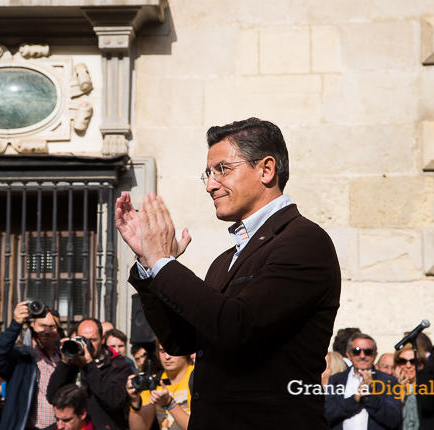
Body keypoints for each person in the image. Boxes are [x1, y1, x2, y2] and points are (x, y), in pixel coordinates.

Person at [115, 117, 341, 428]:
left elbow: (236, 324)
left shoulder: (304, 241)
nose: (210, 185)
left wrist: (163, 264)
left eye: (222, 169)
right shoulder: (225, 259)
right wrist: (148, 263)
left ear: (266, 170)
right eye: (208, 174)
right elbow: (181, 342)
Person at [0, 302, 64, 430]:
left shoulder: (63, 358)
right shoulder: (20, 357)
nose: (47, 331)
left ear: (59, 331)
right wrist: (16, 324)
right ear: (32, 326)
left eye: (53, 327)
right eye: (42, 326)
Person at [47, 317, 132, 430]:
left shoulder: (116, 363)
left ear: (102, 339)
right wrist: (65, 362)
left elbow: (114, 401)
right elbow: (52, 397)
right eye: (82, 339)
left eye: (92, 340)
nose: (87, 345)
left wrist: (88, 366)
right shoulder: (73, 361)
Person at [325, 333, 402, 430]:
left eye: (367, 351)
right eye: (356, 351)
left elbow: (393, 420)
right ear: (349, 354)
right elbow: (327, 414)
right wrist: (354, 400)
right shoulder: (337, 380)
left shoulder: (389, 381)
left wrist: (369, 395)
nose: (362, 355)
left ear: (375, 355)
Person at [127, 342, 194, 430]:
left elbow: (200, 426)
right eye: (162, 351)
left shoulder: (197, 378)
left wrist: (169, 403)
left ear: (185, 352)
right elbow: (139, 428)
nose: (167, 357)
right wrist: (135, 401)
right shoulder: (153, 382)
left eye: (172, 351)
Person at [393, 344, 426, 430]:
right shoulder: (388, 388)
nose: (408, 365)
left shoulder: (428, 387)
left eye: (413, 361)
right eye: (403, 361)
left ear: (421, 364)